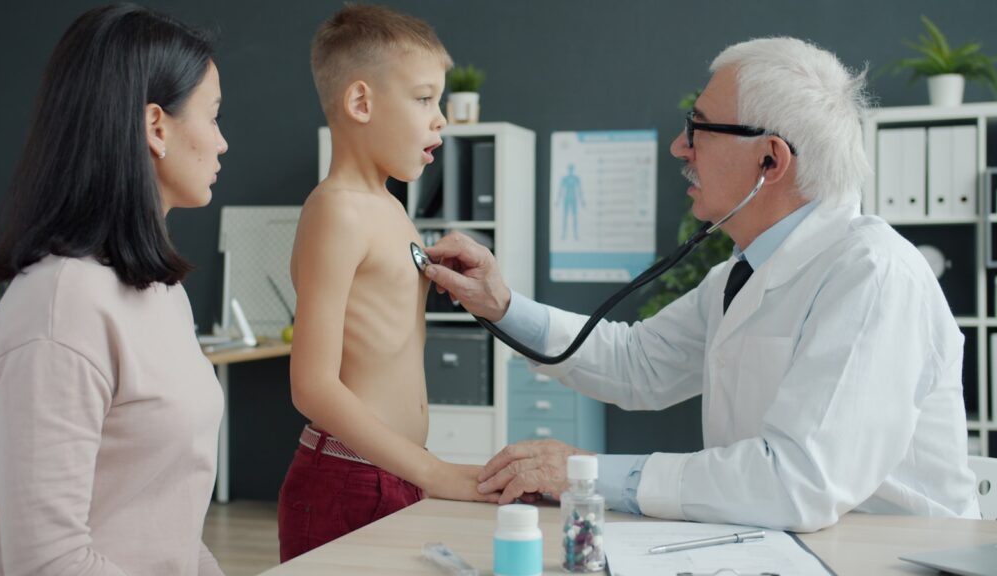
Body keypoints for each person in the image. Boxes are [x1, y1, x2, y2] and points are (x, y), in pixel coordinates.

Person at [424, 37, 980, 532]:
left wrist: (586, 474)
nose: (679, 147)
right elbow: (637, 361)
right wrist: (500, 305)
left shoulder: (872, 274)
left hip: (890, 557)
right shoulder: (740, 275)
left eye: (699, 127)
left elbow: (796, 481)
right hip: (780, 546)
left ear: (770, 159)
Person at [0, 5, 228, 574]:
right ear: (156, 126)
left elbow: (171, 530)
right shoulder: (59, 309)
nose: (222, 143)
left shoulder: (159, 292)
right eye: (213, 117)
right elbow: (49, 563)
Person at [278, 4, 497, 561]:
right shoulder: (337, 211)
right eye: (424, 99)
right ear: (360, 103)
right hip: (345, 480)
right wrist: (435, 472)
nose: (440, 118)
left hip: (391, 472)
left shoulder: (393, 210)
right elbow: (313, 385)